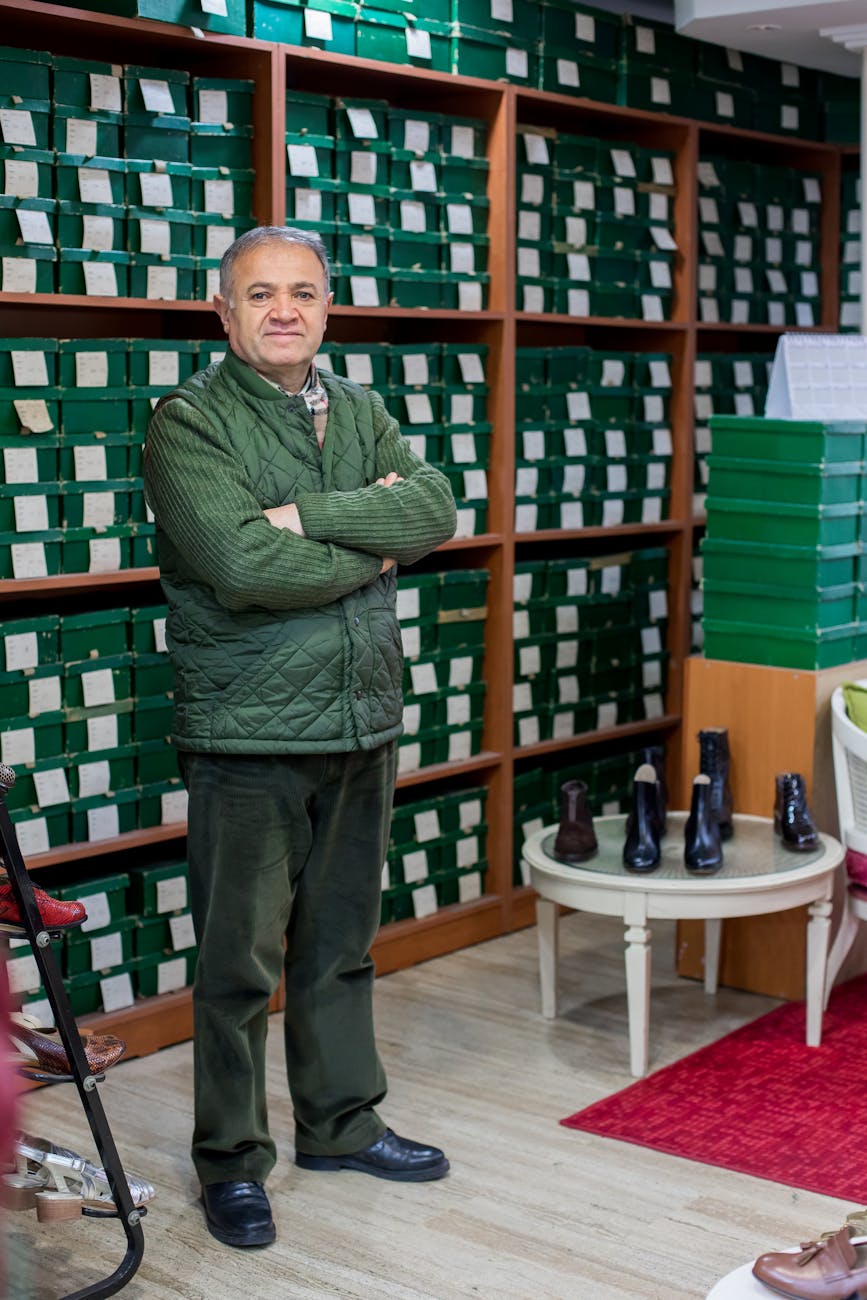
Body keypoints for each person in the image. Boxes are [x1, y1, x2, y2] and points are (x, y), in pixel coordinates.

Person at [143, 226, 457, 1249]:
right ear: (223, 312)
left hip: (362, 718)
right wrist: (366, 550)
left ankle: (341, 1121)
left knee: (341, 947)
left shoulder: (362, 409)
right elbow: (240, 570)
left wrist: (309, 514)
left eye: (305, 293)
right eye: (262, 293)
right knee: (238, 965)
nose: (286, 310)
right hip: (246, 734)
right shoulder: (189, 421)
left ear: (328, 308)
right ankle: (232, 1162)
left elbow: (433, 510)